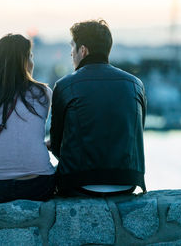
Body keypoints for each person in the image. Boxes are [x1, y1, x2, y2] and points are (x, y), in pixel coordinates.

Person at [49, 19, 147, 196]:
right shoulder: (135, 84)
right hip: (127, 181)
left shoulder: (65, 86)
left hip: (79, 182)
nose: (71, 54)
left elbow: (57, 146)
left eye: (73, 48)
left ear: (83, 50)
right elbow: (137, 132)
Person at [0, 34, 56, 202]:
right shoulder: (43, 93)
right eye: (30, 56)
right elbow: (34, 131)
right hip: (39, 185)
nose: (32, 61)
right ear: (24, 61)